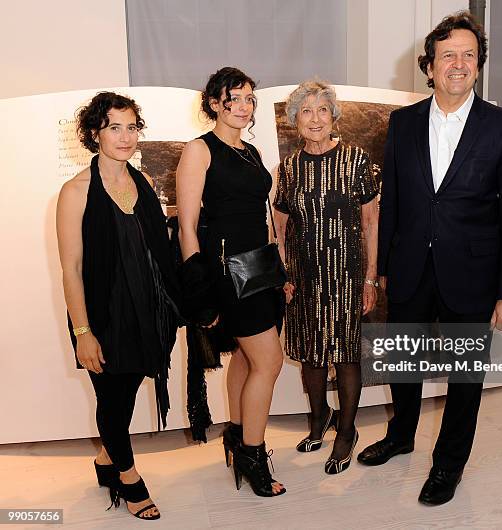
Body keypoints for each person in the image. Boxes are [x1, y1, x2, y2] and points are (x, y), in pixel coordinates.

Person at [358, 11, 502, 506]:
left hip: (473, 273)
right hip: (409, 266)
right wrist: (384, 268)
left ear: (479, 65)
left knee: (464, 377)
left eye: (469, 55)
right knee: (402, 362)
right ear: (429, 67)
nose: (459, 63)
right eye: (448, 54)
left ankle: (448, 465)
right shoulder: (402, 122)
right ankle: (401, 435)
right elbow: (393, 201)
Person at [56, 92, 181, 520]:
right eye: (114, 127)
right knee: (111, 400)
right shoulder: (75, 192)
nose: (126, 136)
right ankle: (129, 478)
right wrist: (82, 333)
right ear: (95, 133)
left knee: (125, 394)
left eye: (132, 126)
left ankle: (106, 461)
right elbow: (71, 269)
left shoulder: (141, 182)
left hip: (146, 312)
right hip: (104, 317)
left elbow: (155, 249)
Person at [176, 67, 286, 497]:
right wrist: (199, 289)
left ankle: (238, 437)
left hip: (260, 268)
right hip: (227, 271)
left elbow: (262, 218)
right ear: (214, 104)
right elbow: (187, 227)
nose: (242, 107)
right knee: (269, 362)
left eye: (248, 100)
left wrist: (279, 266)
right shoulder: (200, 150)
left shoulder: (252, 153)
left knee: (246, 357)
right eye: (233, 99)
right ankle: (253, 456)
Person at [273, 80, 379, 474]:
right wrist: (284, 273)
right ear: (294, 120)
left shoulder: (356, 160)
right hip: (305, 280)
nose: (315, 118)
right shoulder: (288, 169)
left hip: (347, 276)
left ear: (333, 116)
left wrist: (370, 279)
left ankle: (347, 431)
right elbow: (280, 229)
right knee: (311, 356)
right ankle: (320, 420)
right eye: (306, 111)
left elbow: (371, 224)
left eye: (322, 110)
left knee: (348, 355)